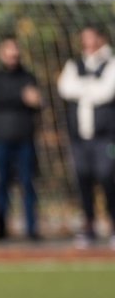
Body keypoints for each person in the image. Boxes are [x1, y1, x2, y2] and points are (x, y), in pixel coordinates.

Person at [57, 24, 115, 248]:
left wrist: (81, 88)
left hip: (106, 137)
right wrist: (91, 87)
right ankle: (89, 226)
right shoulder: (74, 64)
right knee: (83, 178)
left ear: (101, 39)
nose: (87, 42)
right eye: (84, 38)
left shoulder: (110, 63)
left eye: (91, 38)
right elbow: (64, 88)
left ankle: (112, 224)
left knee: (107, 177)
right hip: (79, 137)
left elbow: (106, 92)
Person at [0, 35, 42, 241]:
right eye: (8, 50)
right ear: (1, 53)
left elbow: (36, 102)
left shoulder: (28, 76)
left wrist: (34, 100)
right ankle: (0, 227)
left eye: (15, 50)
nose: (12, 54)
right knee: (1, 183)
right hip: (1, 138)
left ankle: (31, 229)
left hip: (25, 138)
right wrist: (22, 97)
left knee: (28, 183)